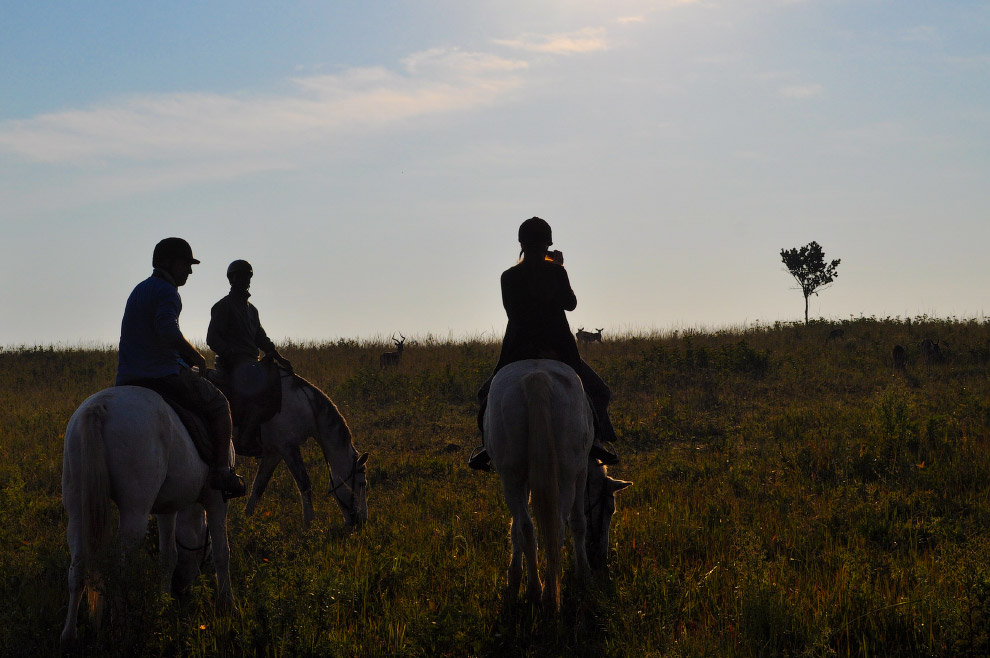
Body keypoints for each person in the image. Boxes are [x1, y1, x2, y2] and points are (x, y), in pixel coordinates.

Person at [468, 217, 619, 471]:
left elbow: (512, 314)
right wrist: (559, 267)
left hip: (517, 352)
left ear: (521, 243)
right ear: (548, 244)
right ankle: (596, 443)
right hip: (559, 351)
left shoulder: (508, 276)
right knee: (599, 392)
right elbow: (570, 304)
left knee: (485, 395)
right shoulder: (557, 271)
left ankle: (487, 447)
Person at [116, 237, 246, 498]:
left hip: (127, 377)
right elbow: (166, 330)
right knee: (219, 405)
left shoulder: (140, 289)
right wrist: (195, 355)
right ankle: (222, 470)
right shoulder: (168, 292)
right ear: (168, 263)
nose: (189, 270)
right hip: (160, 375)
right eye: (185, 264)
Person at [207, 259, 292, 454]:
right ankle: (243, 439)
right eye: (241, 276)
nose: (246, 280)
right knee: (255, 391)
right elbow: (212, 338)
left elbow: (261, 338)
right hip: (231, 364)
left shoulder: (252, 310)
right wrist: (232, 355)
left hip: (251, 363)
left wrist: (279, 357)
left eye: (248, 276)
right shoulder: (223, 306)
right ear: (232, 279)